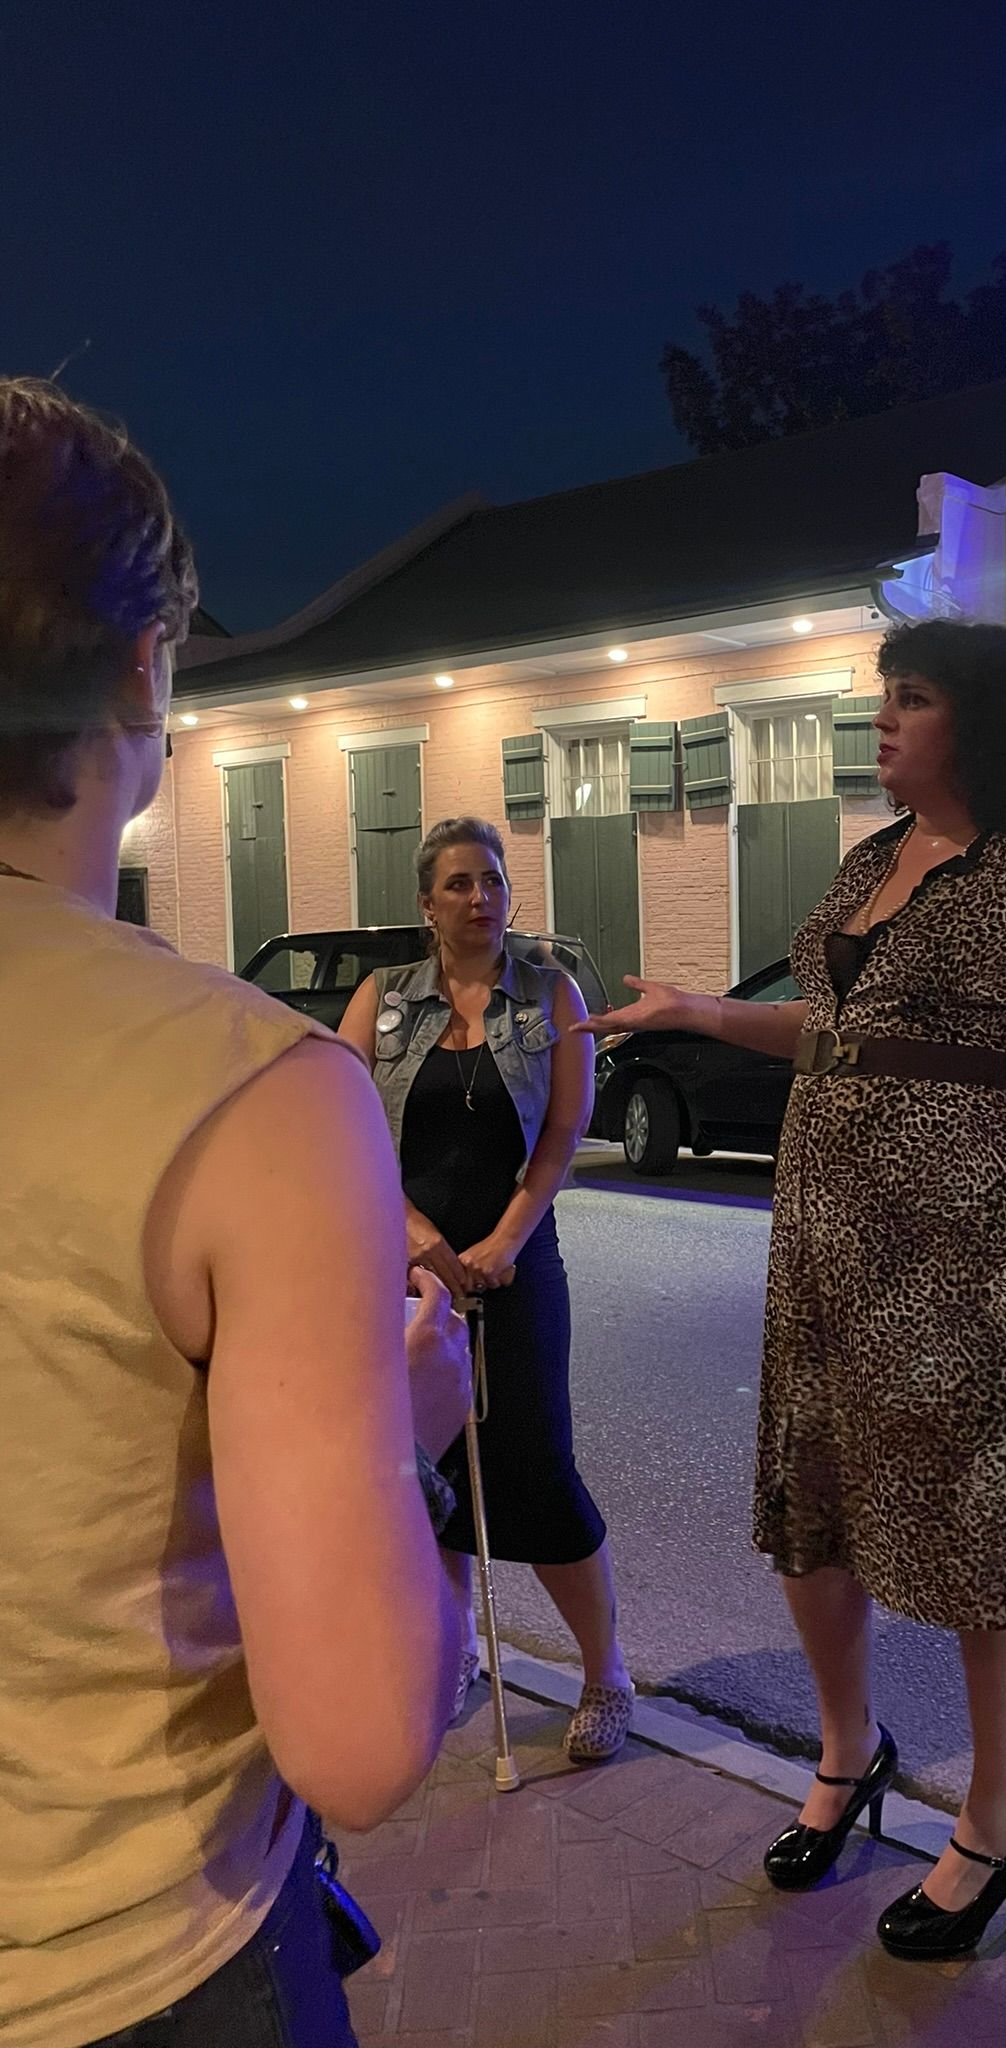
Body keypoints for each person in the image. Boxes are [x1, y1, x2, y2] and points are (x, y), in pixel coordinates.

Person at [0, 376, 472, 2048]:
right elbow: (356, 1735)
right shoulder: (248, 1091)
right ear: (142, 667)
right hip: (125, 1963)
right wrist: (405, 1430)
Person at [579, 619, 1006, 1959]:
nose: (881, 721)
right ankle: (850, 1754)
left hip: (979, 1250)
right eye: (881, 698)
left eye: (913, 701)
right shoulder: (870, 863)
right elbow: (835, 1027)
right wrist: (701, 1015)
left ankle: (997, 1822)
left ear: (986, 726)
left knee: (978, 1521)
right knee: (814, 1503)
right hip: (831, 1239)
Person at [339, 817, 634, 1762]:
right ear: (427, 903)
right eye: (461, 883)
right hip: (408, 1277)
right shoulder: (383, 998)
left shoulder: (548, 994)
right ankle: (457, 1650)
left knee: (537, 1471)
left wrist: (505, 1239)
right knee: (432, 1472)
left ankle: (606, 1674)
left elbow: (563, 1135)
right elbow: (343, 1120)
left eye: (494, 881)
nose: (482, 899)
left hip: (516, 1268)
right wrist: (420, 1242)